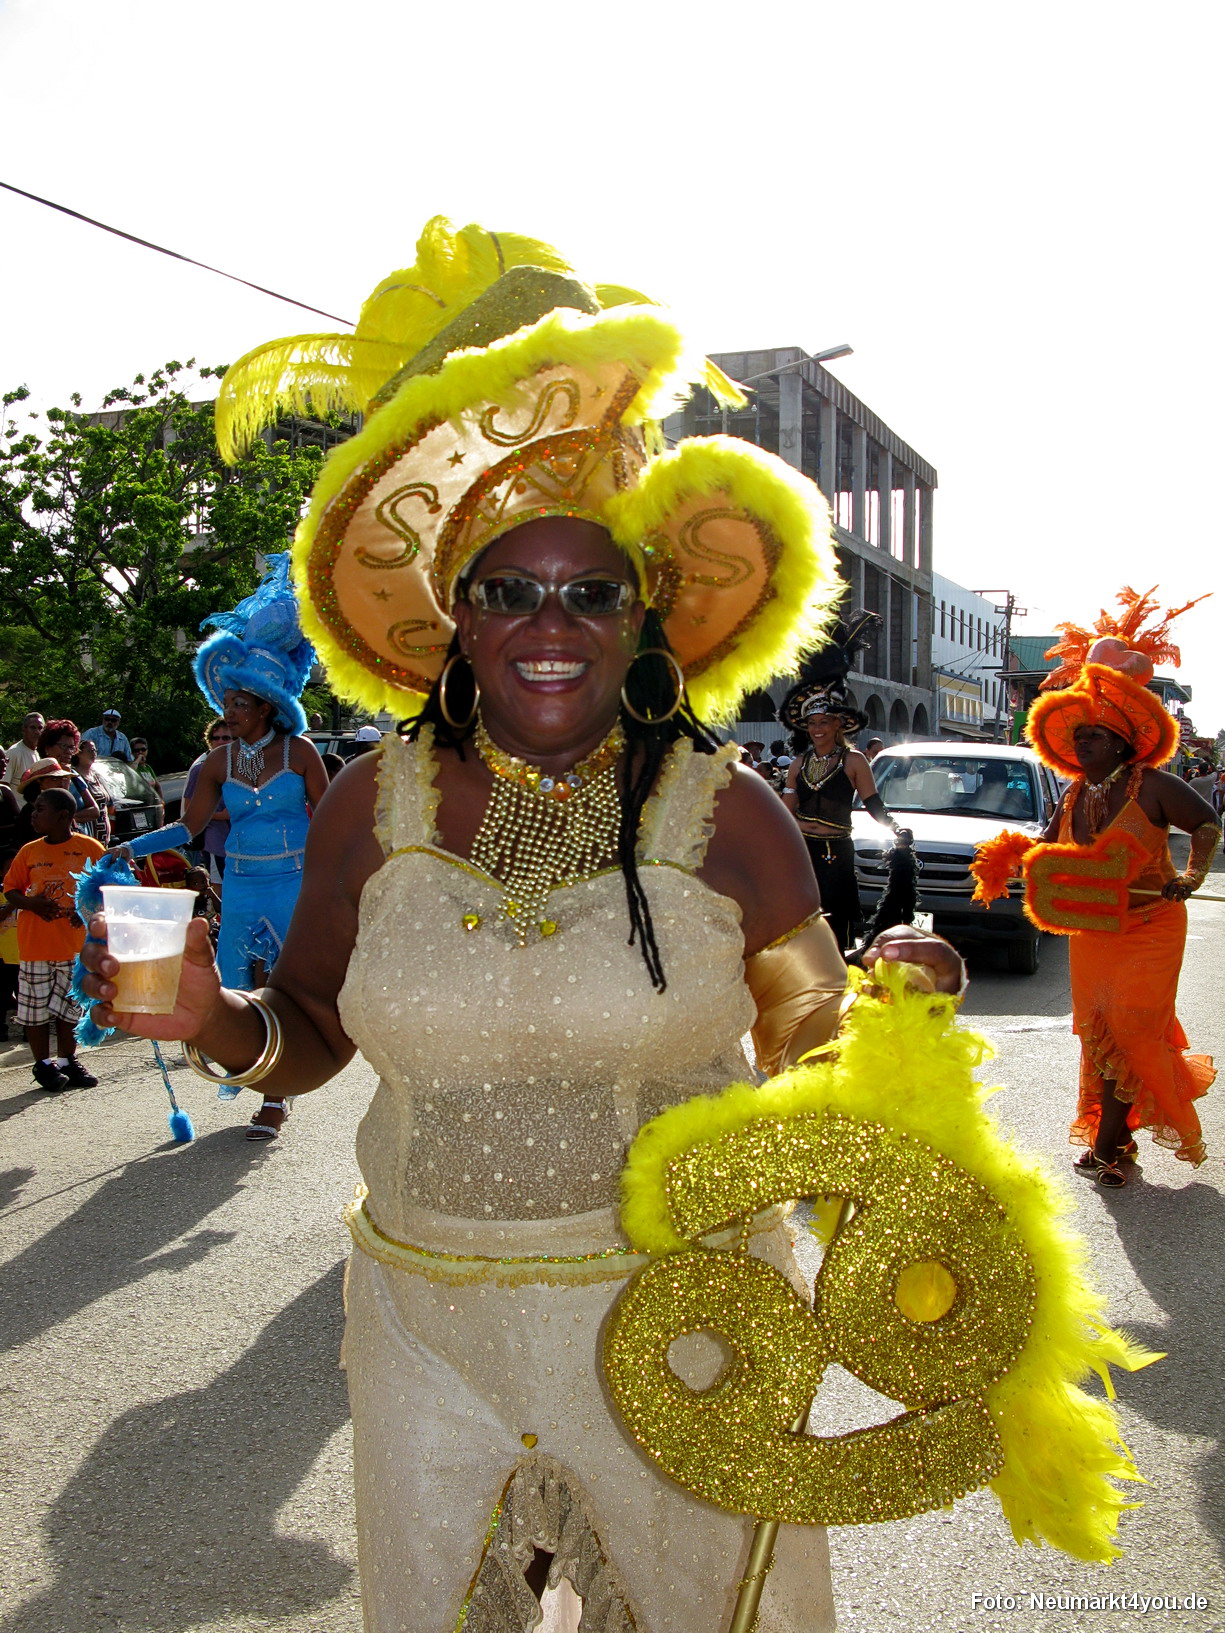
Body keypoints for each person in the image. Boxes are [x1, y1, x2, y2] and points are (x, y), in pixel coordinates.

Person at [80, 218, 964, 1633]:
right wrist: (211, 1023)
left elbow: (804, 1024)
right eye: (508, 589)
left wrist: (883, 1007)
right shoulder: (367, 804)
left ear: (639, 621)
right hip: (430, 1325)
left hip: (685, 1322)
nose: (548, 620)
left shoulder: (719, 812)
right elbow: (303, 1036)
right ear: (455, 619)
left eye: (587, 591)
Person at [114, 556, 328, 1141]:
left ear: (267, 707)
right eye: (226, 701)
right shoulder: (216, 761)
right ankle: (257, 1069)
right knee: (241, 977)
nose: (228, 709)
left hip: (293, 880)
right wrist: (132, 847)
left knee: (280, 980)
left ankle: (277, 1096)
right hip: (241, 882)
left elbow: (329, 818)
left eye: (239, 702)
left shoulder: (302, 753)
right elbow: (187, 828)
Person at [1026, 589, 1219, 1187]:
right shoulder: (1073, 794)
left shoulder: (1154, 785)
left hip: (1152, 924)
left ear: (1120, 742)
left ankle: (1110, 1141)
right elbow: (1050, 851)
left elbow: (1208, 825)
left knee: (1134, 1026)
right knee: (1100, 1031)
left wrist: (1190, 876)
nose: (1080, 745)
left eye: (1092, 738)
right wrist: (1023, 862)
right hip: (1094, 927)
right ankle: (1117, 1142)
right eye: (1077, 737)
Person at [780, 680, 906, 952]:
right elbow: (785, 809)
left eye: (823, 722)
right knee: (803, 912)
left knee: (836, 914)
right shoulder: (799, 764)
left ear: (838, 724)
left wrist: (894, 827)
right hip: (804, 848)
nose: (817, 729)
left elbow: (872, 801)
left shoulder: (854, 760)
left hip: (837, 850)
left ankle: (837, 971)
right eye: (812, 724)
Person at [3, 786, 103, 1092]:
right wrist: (32, 904)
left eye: (40, 810)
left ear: (63, 817)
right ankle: (42, 1064)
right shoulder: (29, 852)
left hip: (74, 948)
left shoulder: (89, 848)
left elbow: (108, 887)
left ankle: (66, 1061)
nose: (33, 815)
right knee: (34, 1009)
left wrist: (87, 911)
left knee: (69, 1007)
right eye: (34, 809)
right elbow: (11, 889)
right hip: (35, 947)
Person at [183, 719, 233, 877]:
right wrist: (220, 815)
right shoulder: (201, 768)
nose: (220, 742)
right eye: (215, 738)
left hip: (236, 841)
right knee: (218, 887)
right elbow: (189, 809)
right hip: (214, 840)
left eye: (226, 738)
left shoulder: (238, 766)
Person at [37, 720, 101, 834]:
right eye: (63, 746)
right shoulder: (39, 776)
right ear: (47, 748)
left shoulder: (75, 776)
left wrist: (69, 819)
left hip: (79, 840)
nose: (68, 751)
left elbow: (95, 811)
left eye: (72, 747)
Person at [73, 739, 114, 843]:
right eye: (90, 751)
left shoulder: (96, 776)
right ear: (78, 753)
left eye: (95, 750)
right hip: (87, 834)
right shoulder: (75, 777)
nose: (93, 753)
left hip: (103, 835)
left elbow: (108, 803)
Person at [3, 712, 45, 790]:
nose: (37, 732)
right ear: (24, 730)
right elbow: (3, 786)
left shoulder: (36, 753)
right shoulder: (14, 753)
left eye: (40, 728)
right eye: (33, 727)